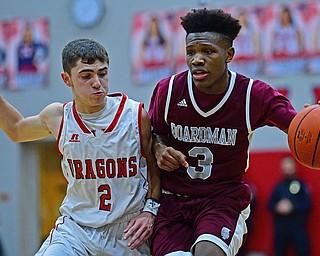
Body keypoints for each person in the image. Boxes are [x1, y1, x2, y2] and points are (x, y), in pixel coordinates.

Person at [148, 8, 297, 256]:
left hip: (222, 199)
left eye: (207, 51)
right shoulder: (169, 90)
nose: (196, 59)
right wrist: (160, 148)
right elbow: (154, 135)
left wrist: (313, 120)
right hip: (172, 200)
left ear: (229, 54)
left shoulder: (252, 95)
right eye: (191, 52)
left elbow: (296, 125)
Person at [0, 38, 161, 255]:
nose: (97, 82)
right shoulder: (58, 116)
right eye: (86, 76)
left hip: (128, 230)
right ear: (67, 79)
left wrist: (150, 211)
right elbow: (17, 130)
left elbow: (154, 168)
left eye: (102, 73)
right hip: (77, 229)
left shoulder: (133, 115)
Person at [268, 156, 311, 256]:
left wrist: (292, 207)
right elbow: (269, 205)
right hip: (281, 227)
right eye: (284, 166)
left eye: (289, 166)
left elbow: (307, 205)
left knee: (303, 251)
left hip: (297, 226)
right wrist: (278, 207)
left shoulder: (302, 185)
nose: (286, 169)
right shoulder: (278, 186)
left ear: (294, 167)